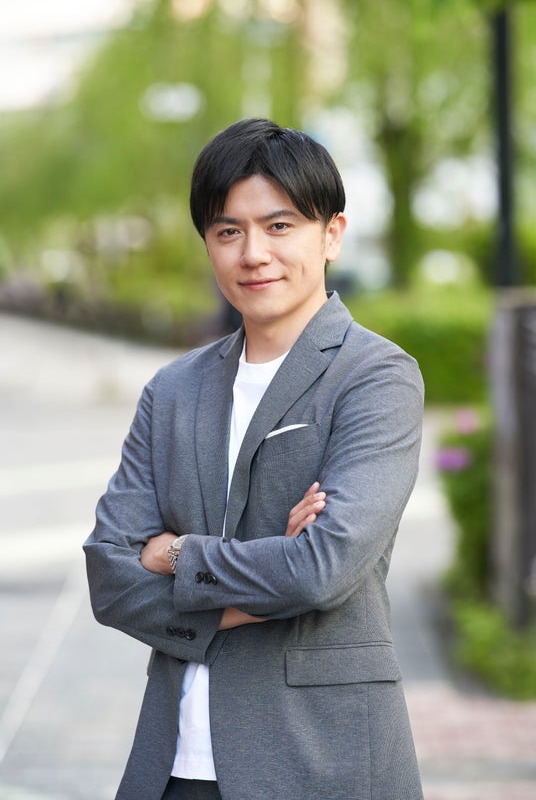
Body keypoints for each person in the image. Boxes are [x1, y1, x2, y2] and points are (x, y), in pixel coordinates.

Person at [84, 118, 424, 800]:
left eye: (280, 226)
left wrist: (176, 555)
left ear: (331, 235)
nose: (253, 253)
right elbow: (110, 578)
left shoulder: (375, 377)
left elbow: (322, 570)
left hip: (319, 759)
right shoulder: (173, 390)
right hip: (172, 766)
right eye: (227, 231)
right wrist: (273, 578)